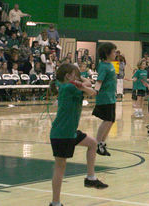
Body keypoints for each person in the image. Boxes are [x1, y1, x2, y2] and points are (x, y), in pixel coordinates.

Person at [49, 63, 108, 206]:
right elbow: (92, 91)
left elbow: (87, 84)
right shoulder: (69, 87)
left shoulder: (68, 85)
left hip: (70, 132)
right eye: (76, 75)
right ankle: (55, 203)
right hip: (62, 134)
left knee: (92, 143)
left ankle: (90, 178)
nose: (78, 78)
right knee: (60, 167)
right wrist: (82, 82)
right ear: (69, 76)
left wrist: (80, 79)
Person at [93, 42, 118, 157]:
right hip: (105, 98)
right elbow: (99, 81)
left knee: (111, 120)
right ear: (107, 53)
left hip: (111, 97)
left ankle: (102, 143)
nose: (115, 53)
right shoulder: (103, 66)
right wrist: (95, 91)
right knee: (107, 120)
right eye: (113, 51)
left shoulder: (111, 65)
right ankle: (97, 143)